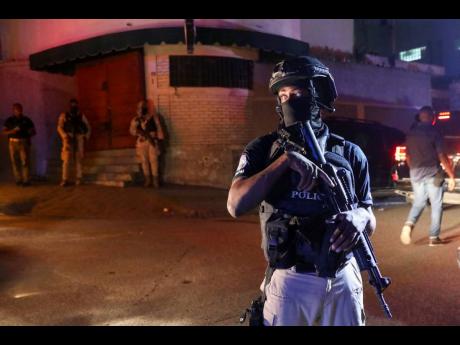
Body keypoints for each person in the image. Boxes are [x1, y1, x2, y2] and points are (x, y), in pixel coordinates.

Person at [227, 56, 376, 326]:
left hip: (343, 276)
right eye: (282, 95)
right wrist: (286, 160)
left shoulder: (350, 153)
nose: (288, 101)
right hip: (291, 279)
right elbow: (236, 204)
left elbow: (367, 211)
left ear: (318, 95)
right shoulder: (263, 150)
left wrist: (361, 218)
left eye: (297, 92)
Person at [400, 106, 455, 246]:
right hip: (432, 173)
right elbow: (441, 155)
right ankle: (434, 238)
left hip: (415, 173)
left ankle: (408, 224)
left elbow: (407, 155)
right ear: (432, 117)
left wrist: (413, 168)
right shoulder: (435, 132)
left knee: (419, 202)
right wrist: (451, 175)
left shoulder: (411, 133)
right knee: (436, 205)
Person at [129, 99, 164, 188]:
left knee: (154, 160)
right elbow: (132, 131)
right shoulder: (136, 119)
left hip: (152, 141)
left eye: (142, 107)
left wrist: (159, 140)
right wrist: (138, 132)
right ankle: (148, 180)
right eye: (139, 108)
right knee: (144, 161)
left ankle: (155, 180)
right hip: (142, 142)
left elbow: (159, 129)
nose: (140, 109)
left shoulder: (154, 117)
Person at [57, 98, 91, 187]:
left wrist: (85, 136)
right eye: (72, 104)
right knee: (66, 159)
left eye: (75, 104)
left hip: (78, 137)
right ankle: (65, 179)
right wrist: (64, 136)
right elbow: (59, 127)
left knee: (79, 158)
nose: (73, 106)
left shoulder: (81, 116)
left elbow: (87, 126)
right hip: (68, 138)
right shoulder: (64, 115)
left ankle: (79, 177)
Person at [1, 103, 36, 186]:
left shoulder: (26, 120)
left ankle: (26, 180)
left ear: (22, 109)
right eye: (16, 109)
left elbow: (34, 131)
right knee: (15, 162)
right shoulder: (9, 120)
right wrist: (11, 131)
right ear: (13, 110)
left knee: (25, 161)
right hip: (13, 142)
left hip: (23, 142)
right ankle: (18, 179)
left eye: (19, 109)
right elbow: (3, 132)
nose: (18, 111)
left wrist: (30, 133)